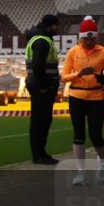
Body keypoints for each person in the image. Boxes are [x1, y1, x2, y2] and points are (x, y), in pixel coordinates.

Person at [61, 15, 104, 186]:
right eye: (86, 39)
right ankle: (81, 172)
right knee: (79, 135)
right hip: (76, 97)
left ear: (96, 37)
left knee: (96, 135)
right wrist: (79, 74)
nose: (89, 42)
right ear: (81, 37)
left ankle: (103, 162)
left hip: (96, 97)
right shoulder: (73, 52)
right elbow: (63, 77)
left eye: (92, 39)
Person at [25, 14, 61, 164]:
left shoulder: (37, 39)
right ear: (50, 25)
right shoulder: (42, 41)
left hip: (38, 85)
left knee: (41, 120)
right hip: (42, 88)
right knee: (41, 121)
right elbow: (38, 66)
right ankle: (39, 155)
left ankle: (40, 153)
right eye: (55, 26)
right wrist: (44, 87)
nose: (57, 28)